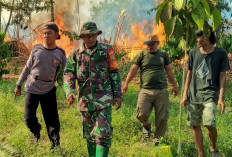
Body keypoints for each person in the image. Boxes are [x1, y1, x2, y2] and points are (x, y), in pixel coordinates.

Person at [63, 21, 122, 157]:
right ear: (82, 37)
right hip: (85, 101)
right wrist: (70, 92)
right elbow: (68, 74)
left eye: (93, 35)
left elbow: (114, 72)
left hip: (104, 100)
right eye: (86, 36)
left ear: (97, 35)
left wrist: (117, 94)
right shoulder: (76, 54)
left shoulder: (107, 50)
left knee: (103, 133)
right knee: (90, 135)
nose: (90, 38)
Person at [14, 22, 67, 149]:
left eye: (49, 33)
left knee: (52, 120)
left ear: (56, 35)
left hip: (49, 89)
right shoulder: (36, 49)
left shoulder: (60, 53)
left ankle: (55, 144)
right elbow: (27, 68)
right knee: (28, 117)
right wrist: (18, 85)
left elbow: (67, 72)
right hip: (32, 87)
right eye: (44, 33)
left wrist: (69, 89)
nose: (46, 35)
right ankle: (36, 132)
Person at [122, 34, 178, 145]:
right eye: (147, 44)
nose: (149, 46)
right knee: (141, 114)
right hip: (145, 90)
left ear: (157, 43)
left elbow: (169, 70)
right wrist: (126, 83)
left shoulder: (163, 55)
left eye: (151, 44)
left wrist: (174, 85)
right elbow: (133, 69)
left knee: (162, 116)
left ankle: (158, 138)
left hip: (161, 90)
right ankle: (146, 125)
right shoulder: (141, 54)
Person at [181, 29, 230, 157]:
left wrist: (221, 97)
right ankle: (200, 153)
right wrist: (185, 93)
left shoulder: (221, 53)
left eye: (199, 37)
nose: (197, 40)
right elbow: (189, 74)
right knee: (195, 125)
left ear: (207, 37)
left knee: (209, 123)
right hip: (194, 94)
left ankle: (213, 147)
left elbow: (222, 75)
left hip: (210, 93)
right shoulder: (193, 52)